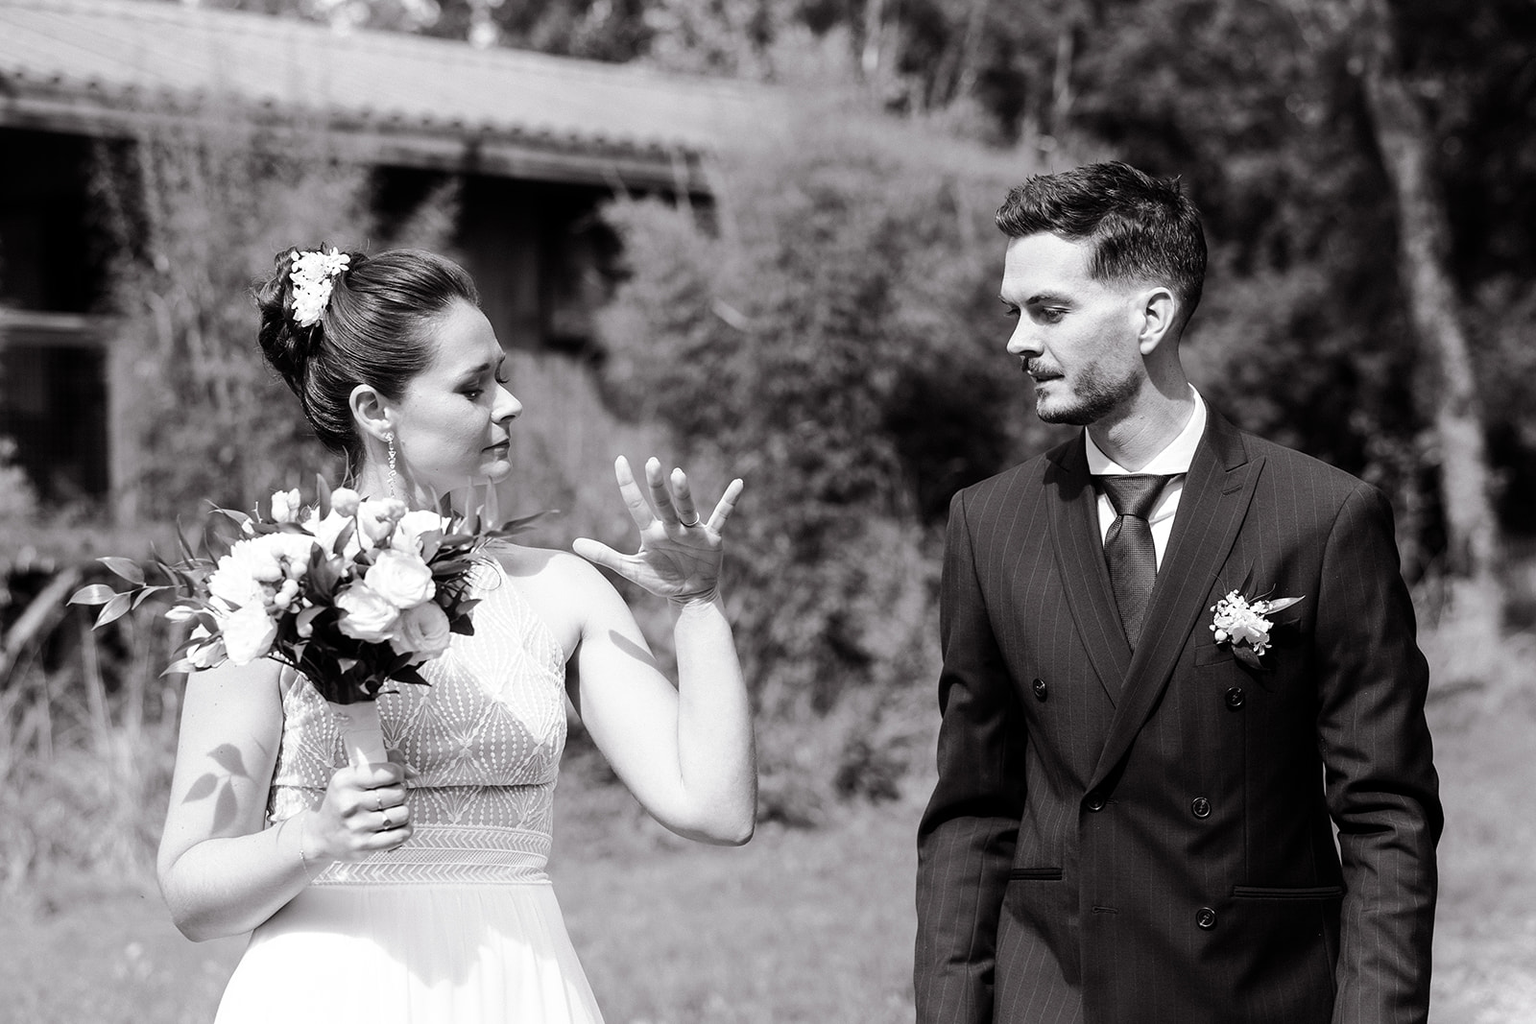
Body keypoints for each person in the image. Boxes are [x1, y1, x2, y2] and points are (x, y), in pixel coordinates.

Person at [157, 246, 756, 1023]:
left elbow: (715, 809)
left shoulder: (561, 590)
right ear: (377, 411)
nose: (507, 405)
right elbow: (190, 892)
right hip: (328, 990)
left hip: (521, 988)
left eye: (502, 376)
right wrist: (310, 838)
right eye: (474, 387)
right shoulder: (267, 593)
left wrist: (700, 606)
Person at [914, 161, 1442, 1023]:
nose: (1016, 340)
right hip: (1056, 996)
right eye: (1013, 312)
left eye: (1048, 311)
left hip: (1254, 995)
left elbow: (1387, 816)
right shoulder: (989, 523)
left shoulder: (1322, 517)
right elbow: (970, 815)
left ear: (1152, 316)